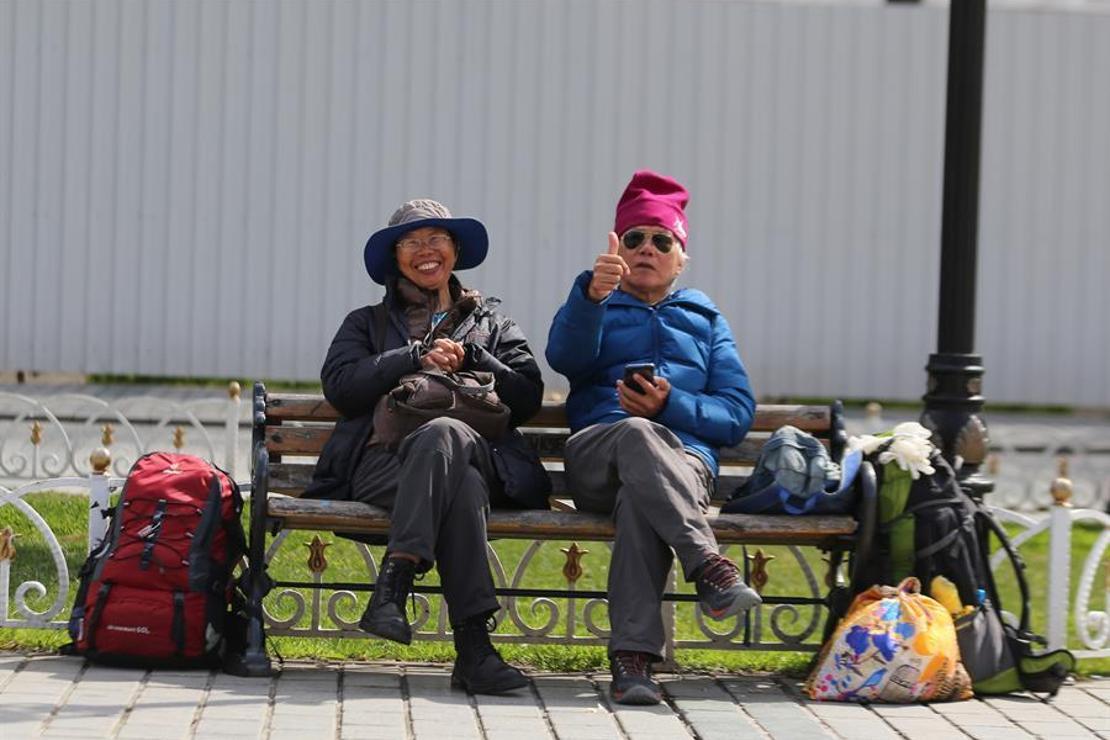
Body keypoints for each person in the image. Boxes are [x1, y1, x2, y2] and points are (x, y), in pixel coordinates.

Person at [305, 199, 545, 694]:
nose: (425, 251)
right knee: (463, 488)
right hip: (382, 467)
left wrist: (476, 357)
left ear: (455, 250)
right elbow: (341, 387)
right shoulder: (365, 324)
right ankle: (475, 652)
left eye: (436, 238)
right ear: (395, 259)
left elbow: (527, 398)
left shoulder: (493, 324)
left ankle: (395, 581)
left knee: (446, 435)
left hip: (484, 453)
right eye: (411, 242)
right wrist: (412, 355)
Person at [546, 170, 760, 705]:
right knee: (638, 432)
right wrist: (590, 299)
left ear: (680, 256)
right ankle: (709, 566)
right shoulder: (595, 300)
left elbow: (736, 414)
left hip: (684, 463)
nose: (646, 249)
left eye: (661, 240)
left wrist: (673, 405)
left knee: (642, 500)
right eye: (634, 238)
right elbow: (563, 358)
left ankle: (632, 663)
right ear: (618, 248)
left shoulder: (705, 319)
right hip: (598, 453)